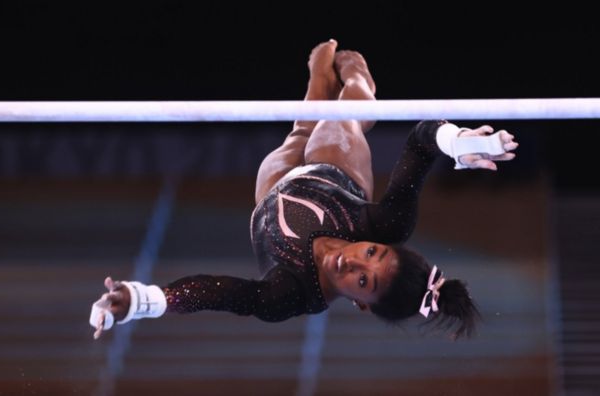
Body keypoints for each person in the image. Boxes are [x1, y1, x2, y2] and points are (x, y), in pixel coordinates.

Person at [89, 39, 518, 341]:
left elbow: (222, 293)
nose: (352, 260)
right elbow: (421, 140)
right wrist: (460, 143)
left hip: (272, 193)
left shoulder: (291, 295)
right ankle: (357, 79)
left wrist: (143, 300)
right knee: (339, 118)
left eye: (363, 281)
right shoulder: (387, 223)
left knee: (300, 131)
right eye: (372, 252)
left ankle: (316, 80)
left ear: (360, 303)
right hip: (337, 173)